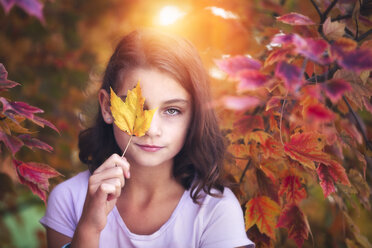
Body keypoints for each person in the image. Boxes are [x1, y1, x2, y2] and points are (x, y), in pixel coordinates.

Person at [40, 29, 254, 248]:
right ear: (107, 107)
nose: (151, 129)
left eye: (172, 110)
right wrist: (88, 229)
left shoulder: (215, 210)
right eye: (138, 109)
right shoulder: (69, 200)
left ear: (194, 115)